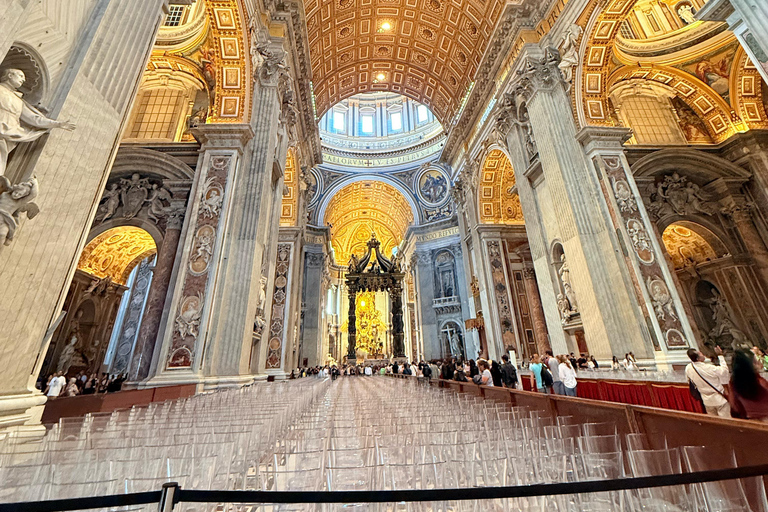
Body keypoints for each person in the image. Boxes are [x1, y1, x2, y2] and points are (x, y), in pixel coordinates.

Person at [685, 346, 730, 418]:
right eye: (701, 354)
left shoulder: (688, 368)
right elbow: (724, 371)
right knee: (726, 422)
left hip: (706, 401)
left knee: (714, 424)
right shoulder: (709, 368)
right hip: (719, 399)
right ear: (698, 358)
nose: (703, 354)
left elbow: (689, 382)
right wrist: (720, 355)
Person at [729, 350, 768, 422]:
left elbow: (734, 406)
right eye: (756, 361)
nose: (759, 363)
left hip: (750, 421)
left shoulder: (734, 384)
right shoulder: (761, 382)